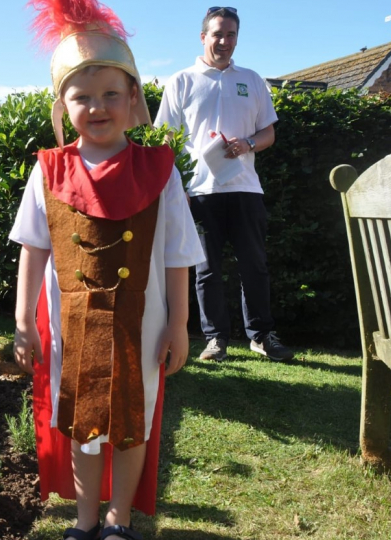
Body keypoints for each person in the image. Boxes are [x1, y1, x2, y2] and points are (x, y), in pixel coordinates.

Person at [10, 2, 205, 539]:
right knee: (80, 423)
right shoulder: (48, 172)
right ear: (62, 105)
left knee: (130, 423)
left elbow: (176, 254)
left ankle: (118, 521)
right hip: (70, 327)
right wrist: (24, 320)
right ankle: (85, 519)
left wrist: (180, 323)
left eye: (110, 94)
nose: (97, 107)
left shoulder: (158, 171)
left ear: (134, 98)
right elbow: (33, 248)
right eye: (82, 97)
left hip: (140, 326)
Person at [154, 7, 294, 362]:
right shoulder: (181, 81)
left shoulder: (252, 79)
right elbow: (165, 140)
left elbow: (269, 132)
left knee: (255, 266)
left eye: (231, 35)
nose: (224, 41)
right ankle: (215, 340)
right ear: (203, 37)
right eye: (218, 34)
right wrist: (176, 187)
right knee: (206, 270)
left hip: (246, 189)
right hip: (200, 191)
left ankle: (261, 336)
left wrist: (249, 143)